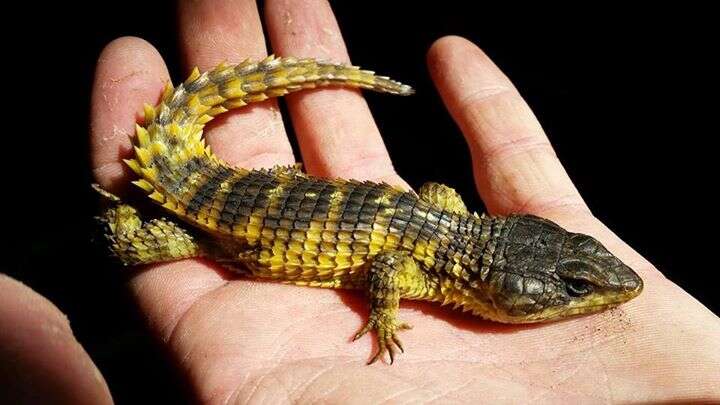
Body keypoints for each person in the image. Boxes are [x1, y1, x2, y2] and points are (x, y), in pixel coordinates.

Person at [3, 1, 719, 403]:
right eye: (571, 285)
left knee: (149, 234)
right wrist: (383, 313)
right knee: (140, 240)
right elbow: (386, 271)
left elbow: (432, 202)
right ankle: (120, 226)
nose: (600, 292)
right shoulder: (426, 270)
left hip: (265, 210)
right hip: (229, 229)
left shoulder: (451, 226)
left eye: (576, 280)